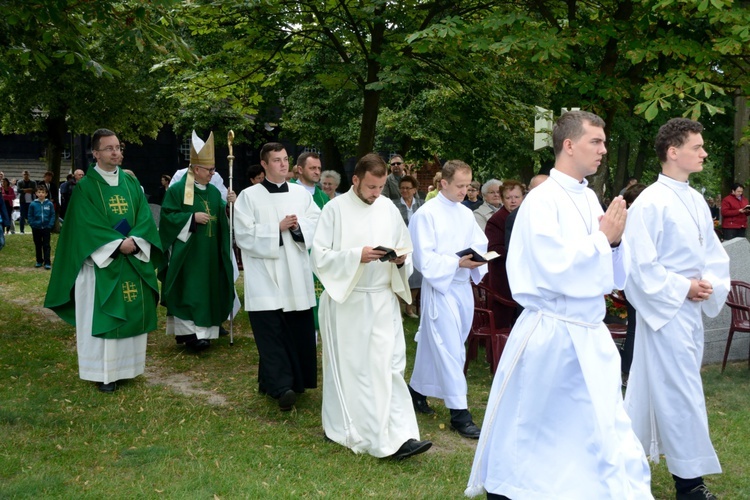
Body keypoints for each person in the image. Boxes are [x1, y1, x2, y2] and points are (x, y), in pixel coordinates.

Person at [466, 111, 651, 499]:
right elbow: (551, 266)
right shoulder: (542, 201)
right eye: (595, 142)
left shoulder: (588, 197)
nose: (603, 149)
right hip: (552, 329)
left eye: (603, 142)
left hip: (587, 329)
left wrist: (615, 244)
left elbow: (612, 276)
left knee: (596, 424)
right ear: (569, 145)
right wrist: (603, 239)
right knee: (539, 425)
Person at [624, 118, 730, 500]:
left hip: (687, 313)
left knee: (655, 391)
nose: (703, 153)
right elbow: (638, 266)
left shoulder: (695, 197)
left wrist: (711, 284)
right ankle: (689, 484)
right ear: (673, 152)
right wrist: (682, 286)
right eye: (697, 147)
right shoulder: (650, 202)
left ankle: (625, 462)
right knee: (679, 394)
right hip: (665, 313)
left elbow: (712, 253)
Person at [311, 153, 431, 460]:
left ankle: (402, 435)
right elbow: (319, 256)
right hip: (349, 300)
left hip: (381, 299)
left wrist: (402, 260)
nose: (376, 194)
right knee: (359, 371)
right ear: (355, 180)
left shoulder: (388, 208)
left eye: (380, 188)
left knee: (389, 367)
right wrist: (355, 256)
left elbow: (405, 247)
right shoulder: (335, 209)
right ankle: (355, 430)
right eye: (371, 187)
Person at [44, 128, 162, 393]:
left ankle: (128, 369)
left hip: (131, 259)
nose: (116, 152)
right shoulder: (86, 187)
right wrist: (116, 244)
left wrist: (135, 241)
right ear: (95, 153)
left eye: (118, 147)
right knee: (103, 317)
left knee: (131, 312)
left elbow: (144, 216)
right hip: (101, 265)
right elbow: (84, 225)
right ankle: (103, 373)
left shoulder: (131, 183)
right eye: (109, 148)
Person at [234, 142, 321, 411]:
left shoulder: (300, 194)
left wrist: (297, 229)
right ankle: (281, 387)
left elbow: (316, 221)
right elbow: (244, 235)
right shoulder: (249, 196)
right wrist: (277, 228)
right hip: (265, 275)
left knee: (296, 329)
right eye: (276, 160)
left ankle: (292, 381)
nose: (283, 164)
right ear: (264, 164)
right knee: (271, 332)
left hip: (295, 272)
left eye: (285, 159)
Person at [408, 160, 488, 439]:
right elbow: (423, 258)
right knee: (451, 348)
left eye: (468, 186)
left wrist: (478, 259)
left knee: (436, 344)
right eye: (460, 186)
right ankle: (459, 413)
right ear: (444, 183)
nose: (465, 191)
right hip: (440, 288)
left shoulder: (465, 213)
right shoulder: (426, 214)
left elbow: (480, 242)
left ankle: (416, 391)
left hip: (462, 287)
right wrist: (455, 263)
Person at [159, 131, 236, 352]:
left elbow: (223, 220)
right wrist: (190, 218)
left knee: (208, 288)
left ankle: (205, 333)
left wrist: (230, 205)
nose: (213, 173)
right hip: (188, 252)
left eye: (213, 169)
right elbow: (167, 217)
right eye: (209, 170)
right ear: (196, 169)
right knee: (189, 290)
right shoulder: (178, 190)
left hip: (210, 251)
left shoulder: (213, 192)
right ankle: (189, 334)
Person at [484, 179, 524, 327]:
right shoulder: (496, 220)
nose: (513, 201)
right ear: (502, 199)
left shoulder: (525, 216)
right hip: (503, 276)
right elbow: (493, 249)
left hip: (521, 276)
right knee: (503, 322)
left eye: (517, 197)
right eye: (508, 198)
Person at [395, 175, 424, 319]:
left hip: (417, 244)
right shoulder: (394, 205)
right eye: (402, 188)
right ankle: (398, 309)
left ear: (414, 190)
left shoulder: (422, 204)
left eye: (408, 188)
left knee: (417, 278)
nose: (404, 190)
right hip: (400, 245)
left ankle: (409, 308)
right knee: (401, 277)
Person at [28, 184, 56, 269]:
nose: (41, 194)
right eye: (39, 192)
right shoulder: (33, 204)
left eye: (43, 192)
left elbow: (52, 215)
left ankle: (47, 262)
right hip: (36, 228)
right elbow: (30, 215)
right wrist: (33, 224)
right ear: (36, 193)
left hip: (46, 228)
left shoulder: (49, 204)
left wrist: (50, 225)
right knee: (38, 244)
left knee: (46, 245)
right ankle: (39, 260)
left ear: (46, 194)